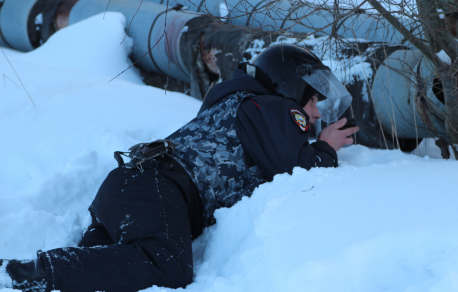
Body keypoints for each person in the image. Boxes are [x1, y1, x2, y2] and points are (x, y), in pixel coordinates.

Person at [0, 44, 359, 292]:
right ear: (290, 87)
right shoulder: (270, 109)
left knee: (95, 274)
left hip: (131, 186)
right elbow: (302, 170)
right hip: (157, 186)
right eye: (312, 100)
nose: (314, 113)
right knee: (169, 264)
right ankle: (22, 273)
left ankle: (21, 276)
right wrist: (325, 146)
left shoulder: (241, 105)